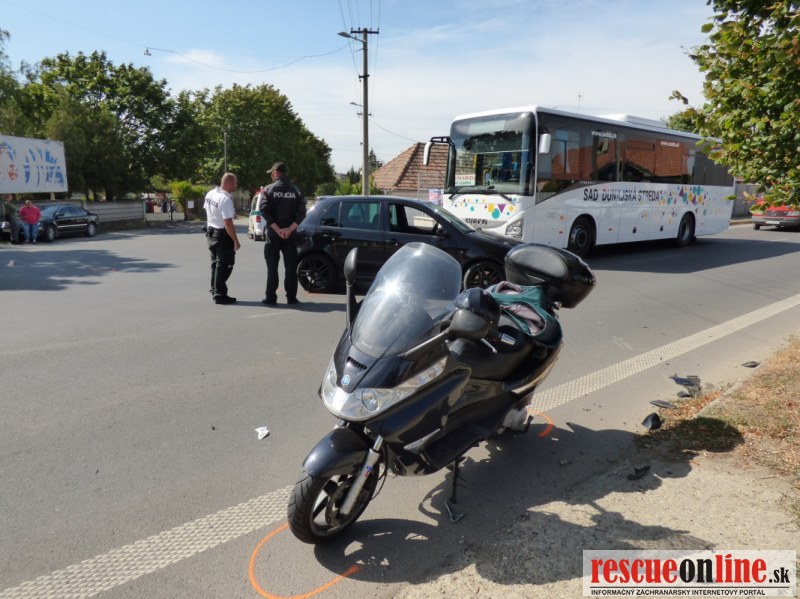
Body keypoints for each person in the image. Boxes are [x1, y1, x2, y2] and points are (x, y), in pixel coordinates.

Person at [259, 161, 306, 306]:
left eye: (272, 173)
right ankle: (291, 298)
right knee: (291, 268)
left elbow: (264, 210)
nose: (271, 176)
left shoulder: (267, 189)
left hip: (273, 235)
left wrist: (277, 230)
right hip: (290, 236)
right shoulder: (296, 190)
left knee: (272, 268)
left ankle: (271, 298)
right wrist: (289, 229)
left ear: (276, 173)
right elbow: (302, 213)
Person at [203, 173, 241, 305]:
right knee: (225, 265)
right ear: (229, 183)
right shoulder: (225, 199)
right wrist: (235, 240)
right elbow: (228, 223)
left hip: (211, 233)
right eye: (235, 183)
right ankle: (220, 295)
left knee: (215, 264)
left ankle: (215, 289)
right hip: (222, 236)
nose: (236, 185)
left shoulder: (211, 194)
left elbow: (210, 211)